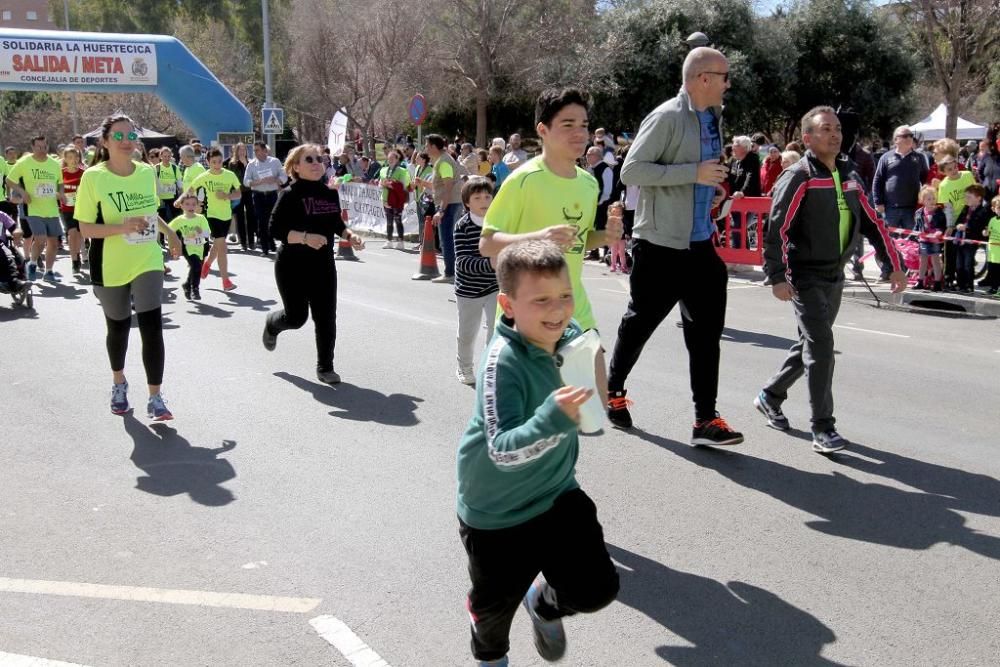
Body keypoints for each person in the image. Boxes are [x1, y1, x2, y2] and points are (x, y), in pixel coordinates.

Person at [455, 240, 619, 667]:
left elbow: (590, 414)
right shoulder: (501, 363)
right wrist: (554, 416)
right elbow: (502, 451)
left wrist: (594, 381)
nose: (557, 309)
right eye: (541, 300)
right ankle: (491, 657)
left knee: (597, 589)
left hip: (556, 492)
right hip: (496, 511)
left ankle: (545, 603)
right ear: (507, 305)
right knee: (492, 615)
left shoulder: (570, 337)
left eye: (565, 296)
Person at [603, 48, 742, 446]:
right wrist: (692, 174)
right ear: (703, 78)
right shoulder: (666, 117)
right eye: (724, 76)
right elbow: (631, 170)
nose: (728, 83)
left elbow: (697, 177)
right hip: (660, 244)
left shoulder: (713, 119)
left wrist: (711, 189)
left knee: (706, 335)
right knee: (640, 324)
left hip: (700, 244)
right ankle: (613, 389)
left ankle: (705, 421)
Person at [756, 106, 905, 454]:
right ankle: (823, 427)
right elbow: (776, 229)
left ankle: (770, 395)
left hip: (833, 275)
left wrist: (893, 264)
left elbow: (872, 222)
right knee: (822, 346)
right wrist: (777, 276)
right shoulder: (798, 176)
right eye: (826, 129)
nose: (835, 135)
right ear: (808, 138)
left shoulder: (849, 174)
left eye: (837, 128)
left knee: (810, 343)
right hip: (803, 275)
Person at [479, 87, 624, 407]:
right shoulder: (524, 180)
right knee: (531, 413)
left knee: (592, 407)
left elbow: (579, 241)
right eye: (568, 124)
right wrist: (537, 237)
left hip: (573, 302)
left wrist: (606, 236)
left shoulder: (588, 183)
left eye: (584, 125)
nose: (580, 133)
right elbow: (487, 243)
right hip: (527, 308)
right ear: (542, 130)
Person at [75, 114, 181, 420]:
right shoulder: (94, 177)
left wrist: (170, 232)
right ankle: (119, 381)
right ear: (105, 142)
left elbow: (149, 214)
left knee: (151, 325)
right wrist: (121, 227)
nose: (125, 142)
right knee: (118, 326)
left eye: (130, 136)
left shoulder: (146, 172)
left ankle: (156, 396)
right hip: (108, 262)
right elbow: (85, 228)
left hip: (146, 257)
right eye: (118, 137)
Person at [263, 144, 365, 384]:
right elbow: (274, 229)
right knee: (297, 318)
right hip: (292, 266)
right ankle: (273, 324)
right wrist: (305, 238)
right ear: (296, 167)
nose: (316, 162)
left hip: (323, 265)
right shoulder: (290, 194)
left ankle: (325, 367)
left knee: (326, 317)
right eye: (309, 159)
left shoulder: (329, 193)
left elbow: (335, 223)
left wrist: (350, 236)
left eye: (319, 158)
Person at [453, 177, 498, 385]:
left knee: (496, 330)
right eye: (477, 197)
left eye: (488, 196)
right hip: (468, 290)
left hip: (495, 287)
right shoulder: (462, 226)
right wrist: (489, 263)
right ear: (467, 202)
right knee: (467, 334)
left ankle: (490, 367)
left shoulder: (499, 223)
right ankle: (464, 367)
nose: (484, 201)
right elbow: (462, 261)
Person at [870, 126, 928, 281]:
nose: (909, 138)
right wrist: (878, 202)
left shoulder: (919, 158)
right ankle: (888, 270)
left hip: (912, 209)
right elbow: (878, 181)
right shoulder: (886, 157)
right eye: (905, 135)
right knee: (889, 242)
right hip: (890, 208)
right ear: (896, 139)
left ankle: (910, 271)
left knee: (912, 243)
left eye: (910, 135)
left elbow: (926, 180)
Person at [6, 135, 65, 282]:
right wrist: (23, 192)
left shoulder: (54, 164)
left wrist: (61, 193)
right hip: (32, 208)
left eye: (44, 146)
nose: (42, 149)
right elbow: (9, 181)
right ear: (32, 147)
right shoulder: (24, 162)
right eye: (39, 147)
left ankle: (49, 271)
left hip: (51, 208)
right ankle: (32, 263)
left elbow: (60, 182)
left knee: (54, 242)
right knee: (40, 238)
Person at [186, 148, 241, 290]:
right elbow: (191, 189)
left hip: (226, 215)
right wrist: (189, 203)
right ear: (208, 162)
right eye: (214, 162)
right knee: (222, 247)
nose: (217, 165)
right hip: (212, 215)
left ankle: (207, 264)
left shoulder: (229, 175)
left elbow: (238, 194)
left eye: (219, 161)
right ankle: (226, 281)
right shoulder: (205, 176)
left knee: (217, 246)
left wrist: (227, 196)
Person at [426, 133, 467, 283]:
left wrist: (441, 210)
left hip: (449, 204)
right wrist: (423, 184)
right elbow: (443, 186)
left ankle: (450, 273)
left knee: (447, 240)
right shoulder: (442, 160)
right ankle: (453, 272)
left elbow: (449, 187)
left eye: (427, 145)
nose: (426, 149)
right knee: (448, 239)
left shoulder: (444, 162)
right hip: (449, 203)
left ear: (434, 146)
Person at [936, 154, 977, 290]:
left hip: (967, 214)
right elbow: (947, 207)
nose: (953, 171)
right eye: (949, 169)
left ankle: (964, 280)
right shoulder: (944, 185)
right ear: (944, 171)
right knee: (950, 250)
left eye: (954, 167)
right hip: (953, 217)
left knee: (965, 250)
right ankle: (948, 278)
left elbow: (975, 193)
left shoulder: (967, 175)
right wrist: (950, 225)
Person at [244, 141, 287, 256]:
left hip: (272, 194)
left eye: (258, 150)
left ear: (264, 150)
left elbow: (284, 176)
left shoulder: (275, 162)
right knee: (262, 222)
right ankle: (265, 248)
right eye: (255, 150)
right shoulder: (252, 164)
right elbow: (246, 181)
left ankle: (271, 241)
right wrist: (257, 182)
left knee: (271, 220)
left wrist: (275, 180)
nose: (256, 152)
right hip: (258, 195)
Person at [168, 192, 210, 300]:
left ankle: (187, 284)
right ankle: (194, 290)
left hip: (201, 247)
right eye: (187, 204)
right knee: (196, 266)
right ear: (181, 205)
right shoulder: (180, 220)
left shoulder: (201, 218)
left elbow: (207, 233)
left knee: (197, 268)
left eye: (193, 204)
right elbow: (167, 230)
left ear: (197, 205)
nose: (190, 207)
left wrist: (199, 232)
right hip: (187, 247)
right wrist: (172, 245)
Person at [953, 183, 990, 293]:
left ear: (978, 198)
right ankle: (960, 284)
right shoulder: (965, 209)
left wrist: (967, 227)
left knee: (968, 264)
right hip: (960, 240)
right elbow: (959, 220)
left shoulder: (982, 211)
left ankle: (969, 286)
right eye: (966, 197)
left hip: (971, 241)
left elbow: (979, 225)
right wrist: (958, 225)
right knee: (959, 264)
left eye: (969, 197)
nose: (966, 199)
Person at [912, 185, 946, 291]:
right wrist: (915, 234)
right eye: (929, 199)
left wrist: (939, 232)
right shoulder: (919, 213)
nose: (932, 201)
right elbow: (916, 227)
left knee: (936, 260)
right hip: (923, 240)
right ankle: (920, 281)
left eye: (934, 198)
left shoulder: (939, 212)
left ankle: (937, 283)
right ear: (923, 200)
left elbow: (942, 226)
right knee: (923, 261)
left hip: (934, 240)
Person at [225, 142, 257, 253]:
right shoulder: (232, 164)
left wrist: (245, 164)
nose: (242, 152)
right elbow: (236, 179)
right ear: (236, 151)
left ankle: (251, 241)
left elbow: (252, 177)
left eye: (244, 149)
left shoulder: (251, 162)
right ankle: (243, 242)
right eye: (240, 150)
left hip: (249, 192)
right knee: (239, 218)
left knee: (251, 216)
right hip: (238, 193)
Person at [60, 146, 86, 276]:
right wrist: (60, 195)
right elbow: (56, 189)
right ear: (65, 159)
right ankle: (74, 260)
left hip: (81, 208)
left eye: (76, 157)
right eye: (70, 157)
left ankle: (78, 255)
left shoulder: (84, 173)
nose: (74, 160)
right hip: (67, 208)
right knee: (72, 234)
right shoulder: (61, 173)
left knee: (80, 235)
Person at [377, 149, 411, 249]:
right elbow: (380, 183)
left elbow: (403, 185)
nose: (390, 160)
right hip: (386, 198)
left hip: (397, 199)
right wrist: (382, 184)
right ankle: (389, 240)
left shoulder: (402, 170)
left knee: (398, 220)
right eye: (389, 159)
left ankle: (401, 241)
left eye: (392, 158)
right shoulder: (383, 170)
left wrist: (391, 184)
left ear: (397, 159)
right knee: (389, 220)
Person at [155, 146, 183, 223]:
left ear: (171, 156)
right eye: (164, 156)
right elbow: (153, 183)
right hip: (161, 199)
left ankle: (175, 235)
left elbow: (180, 184)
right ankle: (162, 235)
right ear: (160, 156)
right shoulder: (157, 168)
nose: (167, 158)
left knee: (174, 219)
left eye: (168, 156)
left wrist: (182, 196)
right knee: (162, 221)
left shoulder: (174, 168)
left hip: (173, 198)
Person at [982, 195, 1000, 294]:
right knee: (992, 271)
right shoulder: (992, 220)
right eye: (999, 208)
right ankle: (993, 288)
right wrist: (985, 232)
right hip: (992, 251)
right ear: (993, 209)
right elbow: (988, 232)